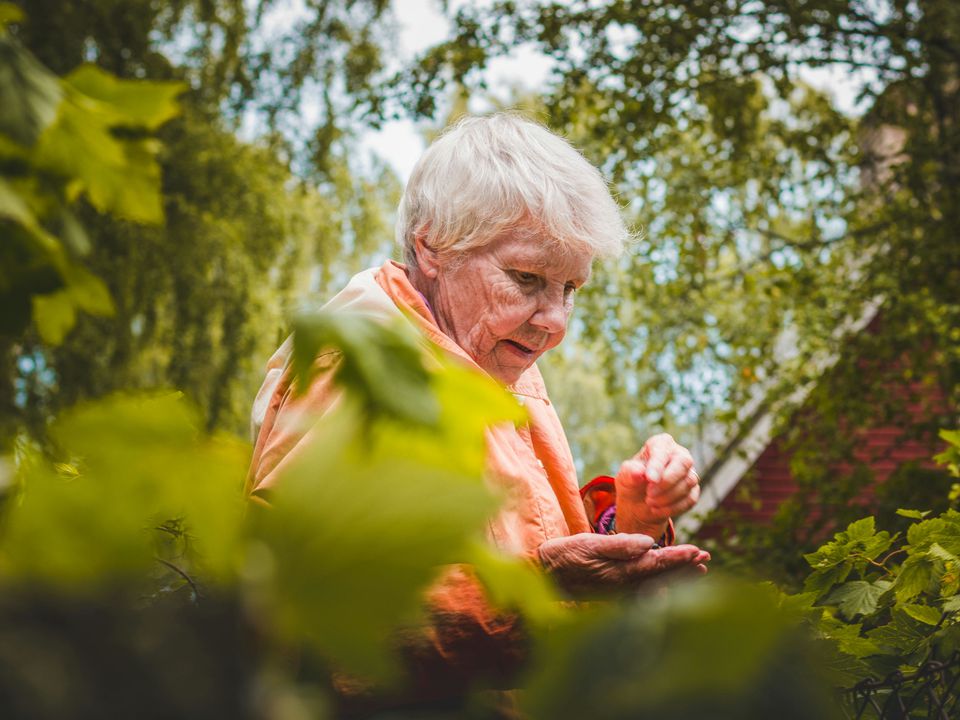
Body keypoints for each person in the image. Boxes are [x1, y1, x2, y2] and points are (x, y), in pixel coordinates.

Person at [246, 113, 709, 709]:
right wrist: (532, 591)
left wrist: (630, 525)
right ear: (431, 246)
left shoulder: (490, 358)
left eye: (571, 288)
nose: (555, 322)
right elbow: (302, 626)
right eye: (527, 277)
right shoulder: (361, 372)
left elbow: (526, 551)